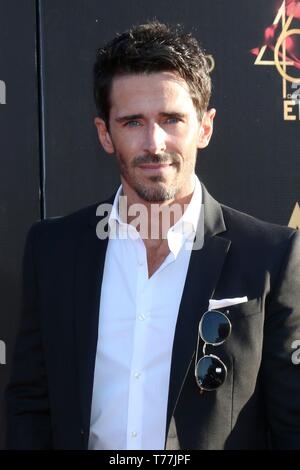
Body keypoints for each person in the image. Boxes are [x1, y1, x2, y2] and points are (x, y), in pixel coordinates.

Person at [5, 20, 300, 450]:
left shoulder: (270, 255)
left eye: (172, 119)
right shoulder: (53, 251)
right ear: (105, 134)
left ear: (205, 127)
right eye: (132, 122)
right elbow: (30, 404)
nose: (154, 142)